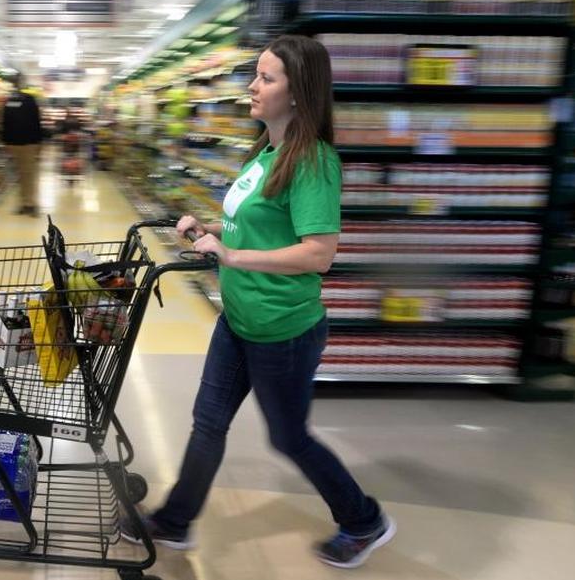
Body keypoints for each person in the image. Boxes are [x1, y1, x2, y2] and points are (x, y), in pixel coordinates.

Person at [120, 35, 395, 569]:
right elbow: (253, 229)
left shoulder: (313, 161)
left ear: (298, 94)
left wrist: (233, 256)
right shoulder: (265, 152)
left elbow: (319, 254)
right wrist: (209, 230)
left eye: (266, 78)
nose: (252, 85)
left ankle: (364, 520)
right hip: (240, 319)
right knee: (208, 423)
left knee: (289, 437)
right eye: (256, 74)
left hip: (283, 329)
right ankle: (175, 522)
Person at [0, 74, 44, 216]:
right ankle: (25, 204)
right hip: (23, 143)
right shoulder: (25, 100)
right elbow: (5, 123)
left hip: (24, 143)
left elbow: (36, 122)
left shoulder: (15, 101)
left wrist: (38, 142)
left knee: (26, 175)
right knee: (24, 174)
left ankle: (30, 204)